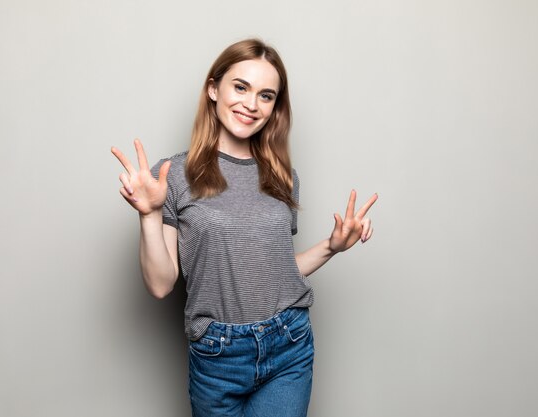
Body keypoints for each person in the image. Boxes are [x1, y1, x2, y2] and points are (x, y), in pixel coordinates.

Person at [111, 38, 377, 417]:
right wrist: (149, 215)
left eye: (266, 95)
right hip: (219, 356)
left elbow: (272, 273)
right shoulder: (173, 176)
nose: (251, 105)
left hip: (289, 343)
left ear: (275, 108)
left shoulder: (283, 177)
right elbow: (160, 284)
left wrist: (332, 247)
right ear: (213, 88)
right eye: (241, 87)